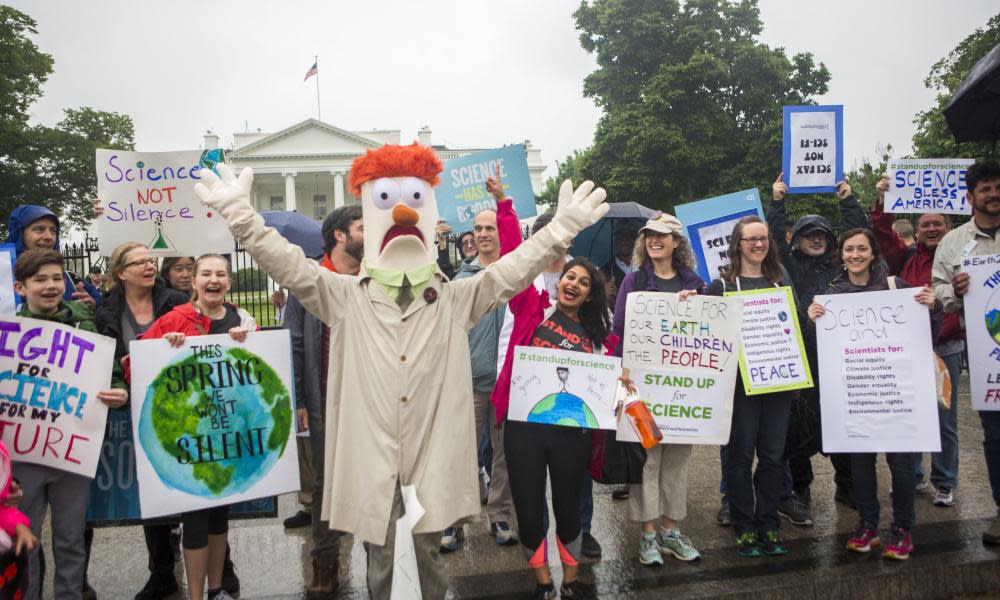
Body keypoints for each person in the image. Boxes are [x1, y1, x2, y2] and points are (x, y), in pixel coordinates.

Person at [192, 145, 608, 599]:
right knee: (382, 555)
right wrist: (242, 217)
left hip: (431, 453)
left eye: (412, 199)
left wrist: (562, 228)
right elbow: (288, 264)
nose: (404, 211)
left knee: (428, 555)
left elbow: (511, 271)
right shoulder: (344, 295)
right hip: (371, 454)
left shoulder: (453, 298)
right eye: (388, 200)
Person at [490, 196, 611, 598]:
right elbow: (513, 258)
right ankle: (543, 582)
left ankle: (572, 581)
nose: (573, 283)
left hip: (570, 432)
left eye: (583, 281)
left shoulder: (600, 340)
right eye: (568, 278)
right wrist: (503, 206)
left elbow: (613, 380)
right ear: (557, 282)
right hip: (524, 429)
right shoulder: (531, 308)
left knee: (568, 508)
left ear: (590, 294)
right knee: (528, 509)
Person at [809, 228, 939, 560]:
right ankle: (868, 525)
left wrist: (933, 306)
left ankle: (902, 529)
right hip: (855, 394)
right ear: (841, 254)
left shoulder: (897, 287)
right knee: (861, 465)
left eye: (862, 248)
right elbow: (818, 348)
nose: (855, 254)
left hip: (894, 393)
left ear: (873, 252)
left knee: (901, 465)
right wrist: (811, 322)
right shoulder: (831, 294)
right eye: (849, 249)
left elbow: (927, 333)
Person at [139, 254, 255, 600]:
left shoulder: (242, 321)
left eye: (221, 273)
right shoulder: (175, 319)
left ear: (229, 282)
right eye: (206, 273)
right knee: (196, 519)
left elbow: (261, 373)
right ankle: (195, 595)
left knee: (220, 519)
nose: (213, 279)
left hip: (227, 438)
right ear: (195, 282)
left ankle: (216, 590)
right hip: (190, 440)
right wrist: (164, 346)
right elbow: (137, 365)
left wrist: (246, 342)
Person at [12, 249, 120, 600]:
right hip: (21, 457)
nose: (50, 286)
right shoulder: (7, 334)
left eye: (57, 278)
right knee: (23, 541)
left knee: (70, 540)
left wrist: (119, 391)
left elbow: (114, 374)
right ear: (20, 287)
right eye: (40, 279)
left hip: (72, 452)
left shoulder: (86, 323)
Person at [93, 242, 192, 600]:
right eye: (139, 263)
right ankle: (161, 572)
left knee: (191, 481)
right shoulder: (107, 310)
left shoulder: (177, 300)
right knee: (151, 488)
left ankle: (220, 567)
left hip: (180, 403)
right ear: (121, 272)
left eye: (151, 261)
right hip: (134, 405)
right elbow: (104, 353)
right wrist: (121, 367)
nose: (149, 267)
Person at [767, 174, 867, 517]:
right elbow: (773, 239)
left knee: (840, 422)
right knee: (797, 429)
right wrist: (777, 203)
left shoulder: (839, 264)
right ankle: (800, 488)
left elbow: (862, 238)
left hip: (838, 357)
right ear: (798, 241)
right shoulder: (788, 264)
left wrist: (847, 200)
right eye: (809, 234)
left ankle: (847, 485)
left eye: (822, 235)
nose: (816, 239)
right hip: (802, 355)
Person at [611, 212, 704, 566]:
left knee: (677, 462)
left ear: (676, 242)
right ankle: (648, 535)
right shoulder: (633, 282)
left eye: (662, 235)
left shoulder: (696, 284)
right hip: (642, 389)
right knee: (647, 461)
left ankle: (671, 531)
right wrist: (622, 380)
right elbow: (619, 330)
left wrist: (696, 307)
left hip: (683, 391)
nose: (654, 240)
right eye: (649, 235)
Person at [284, 204, 362, 597]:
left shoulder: (377, 278)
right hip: (324, 397)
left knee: (375, 482)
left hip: (369, 399)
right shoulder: (310, 281)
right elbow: (293, 343)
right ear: (340, 236)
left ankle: (383, 561)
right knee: (326, 485)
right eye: (364, 228)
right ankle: (324, 561)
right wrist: (299, 397)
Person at [707, 216, 794, 557]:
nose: (758, 245)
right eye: (750, 240)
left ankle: (769, 523)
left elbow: (796, 326)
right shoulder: (722, 286)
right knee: (740, 457)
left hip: (778, 383)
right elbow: (707, 335)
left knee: (773, 457)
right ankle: (744, 526)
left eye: (763, 239)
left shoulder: (779, 282)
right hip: (739, 388)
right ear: (737, 245)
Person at [872, 178, 960, 506]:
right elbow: (882, 235)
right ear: (918, 231)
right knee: (909, 414)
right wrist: (881, 201)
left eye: (938, 223)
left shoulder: (961, 257)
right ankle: (913, 476)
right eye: (925, 224)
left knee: (944, 419)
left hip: (946, 346)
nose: (931, 228)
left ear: (949, 227)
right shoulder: (906, 257)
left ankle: (945, 481)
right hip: (909, 348)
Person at [446, 171, 518, 550]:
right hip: (471, 379)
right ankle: (454, 520)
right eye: (478, 228)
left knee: (503, 456)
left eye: (490, 227)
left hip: (507, 382)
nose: (484, 233)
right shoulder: (463, 279)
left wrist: (503, 199)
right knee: (462, 453)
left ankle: (500, 514)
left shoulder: (515, 275)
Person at [932, 159, 1000, 547]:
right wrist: (954, 291)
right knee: (995, 434)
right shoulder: (955, 243)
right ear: (971, 197)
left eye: (997, 186)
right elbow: (939, 289)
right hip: (989, 353)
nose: (993, 194)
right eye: (985, 189)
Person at [6, 204, 102, 310]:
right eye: (39, 229)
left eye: (53, 231)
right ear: (20, 233)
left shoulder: (71, 278)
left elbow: (107, 307)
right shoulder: (4, 276)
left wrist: (94, 305)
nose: (49, 237)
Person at [602, 224, 638, 289]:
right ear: (615, 241)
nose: (625, 240)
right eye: (620, 236)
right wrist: (606, 294)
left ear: (635, 240)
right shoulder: (605, 272)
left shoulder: (645, 266)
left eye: (629, 235)